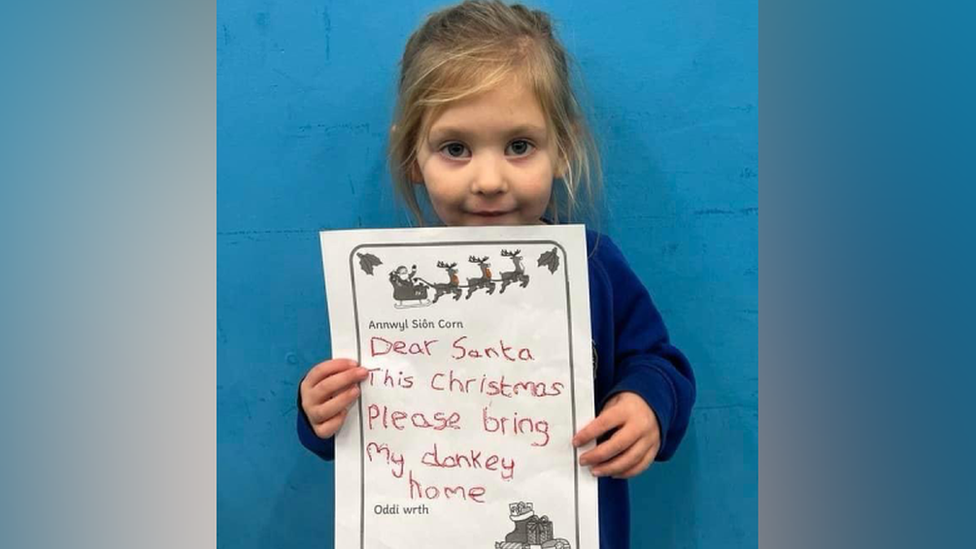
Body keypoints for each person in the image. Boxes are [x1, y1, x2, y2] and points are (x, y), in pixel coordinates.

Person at [295, 2, 696, 547]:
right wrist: (319, 409)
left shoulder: (592, 266)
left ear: (564, 147)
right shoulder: (386, 288)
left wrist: (647, 404)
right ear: (414, 155)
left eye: (519, 146)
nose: (488, 179)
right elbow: (358, 421)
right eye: (455, 148)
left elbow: (660, 362)